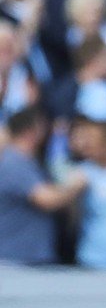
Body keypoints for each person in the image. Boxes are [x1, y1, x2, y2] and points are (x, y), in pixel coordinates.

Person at [0, 107, 86, 264]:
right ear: (32, 131)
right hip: (17, 261)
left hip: (27, 259)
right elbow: (47, 200)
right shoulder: (15, 163)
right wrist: (77, 186)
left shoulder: (28, 162)